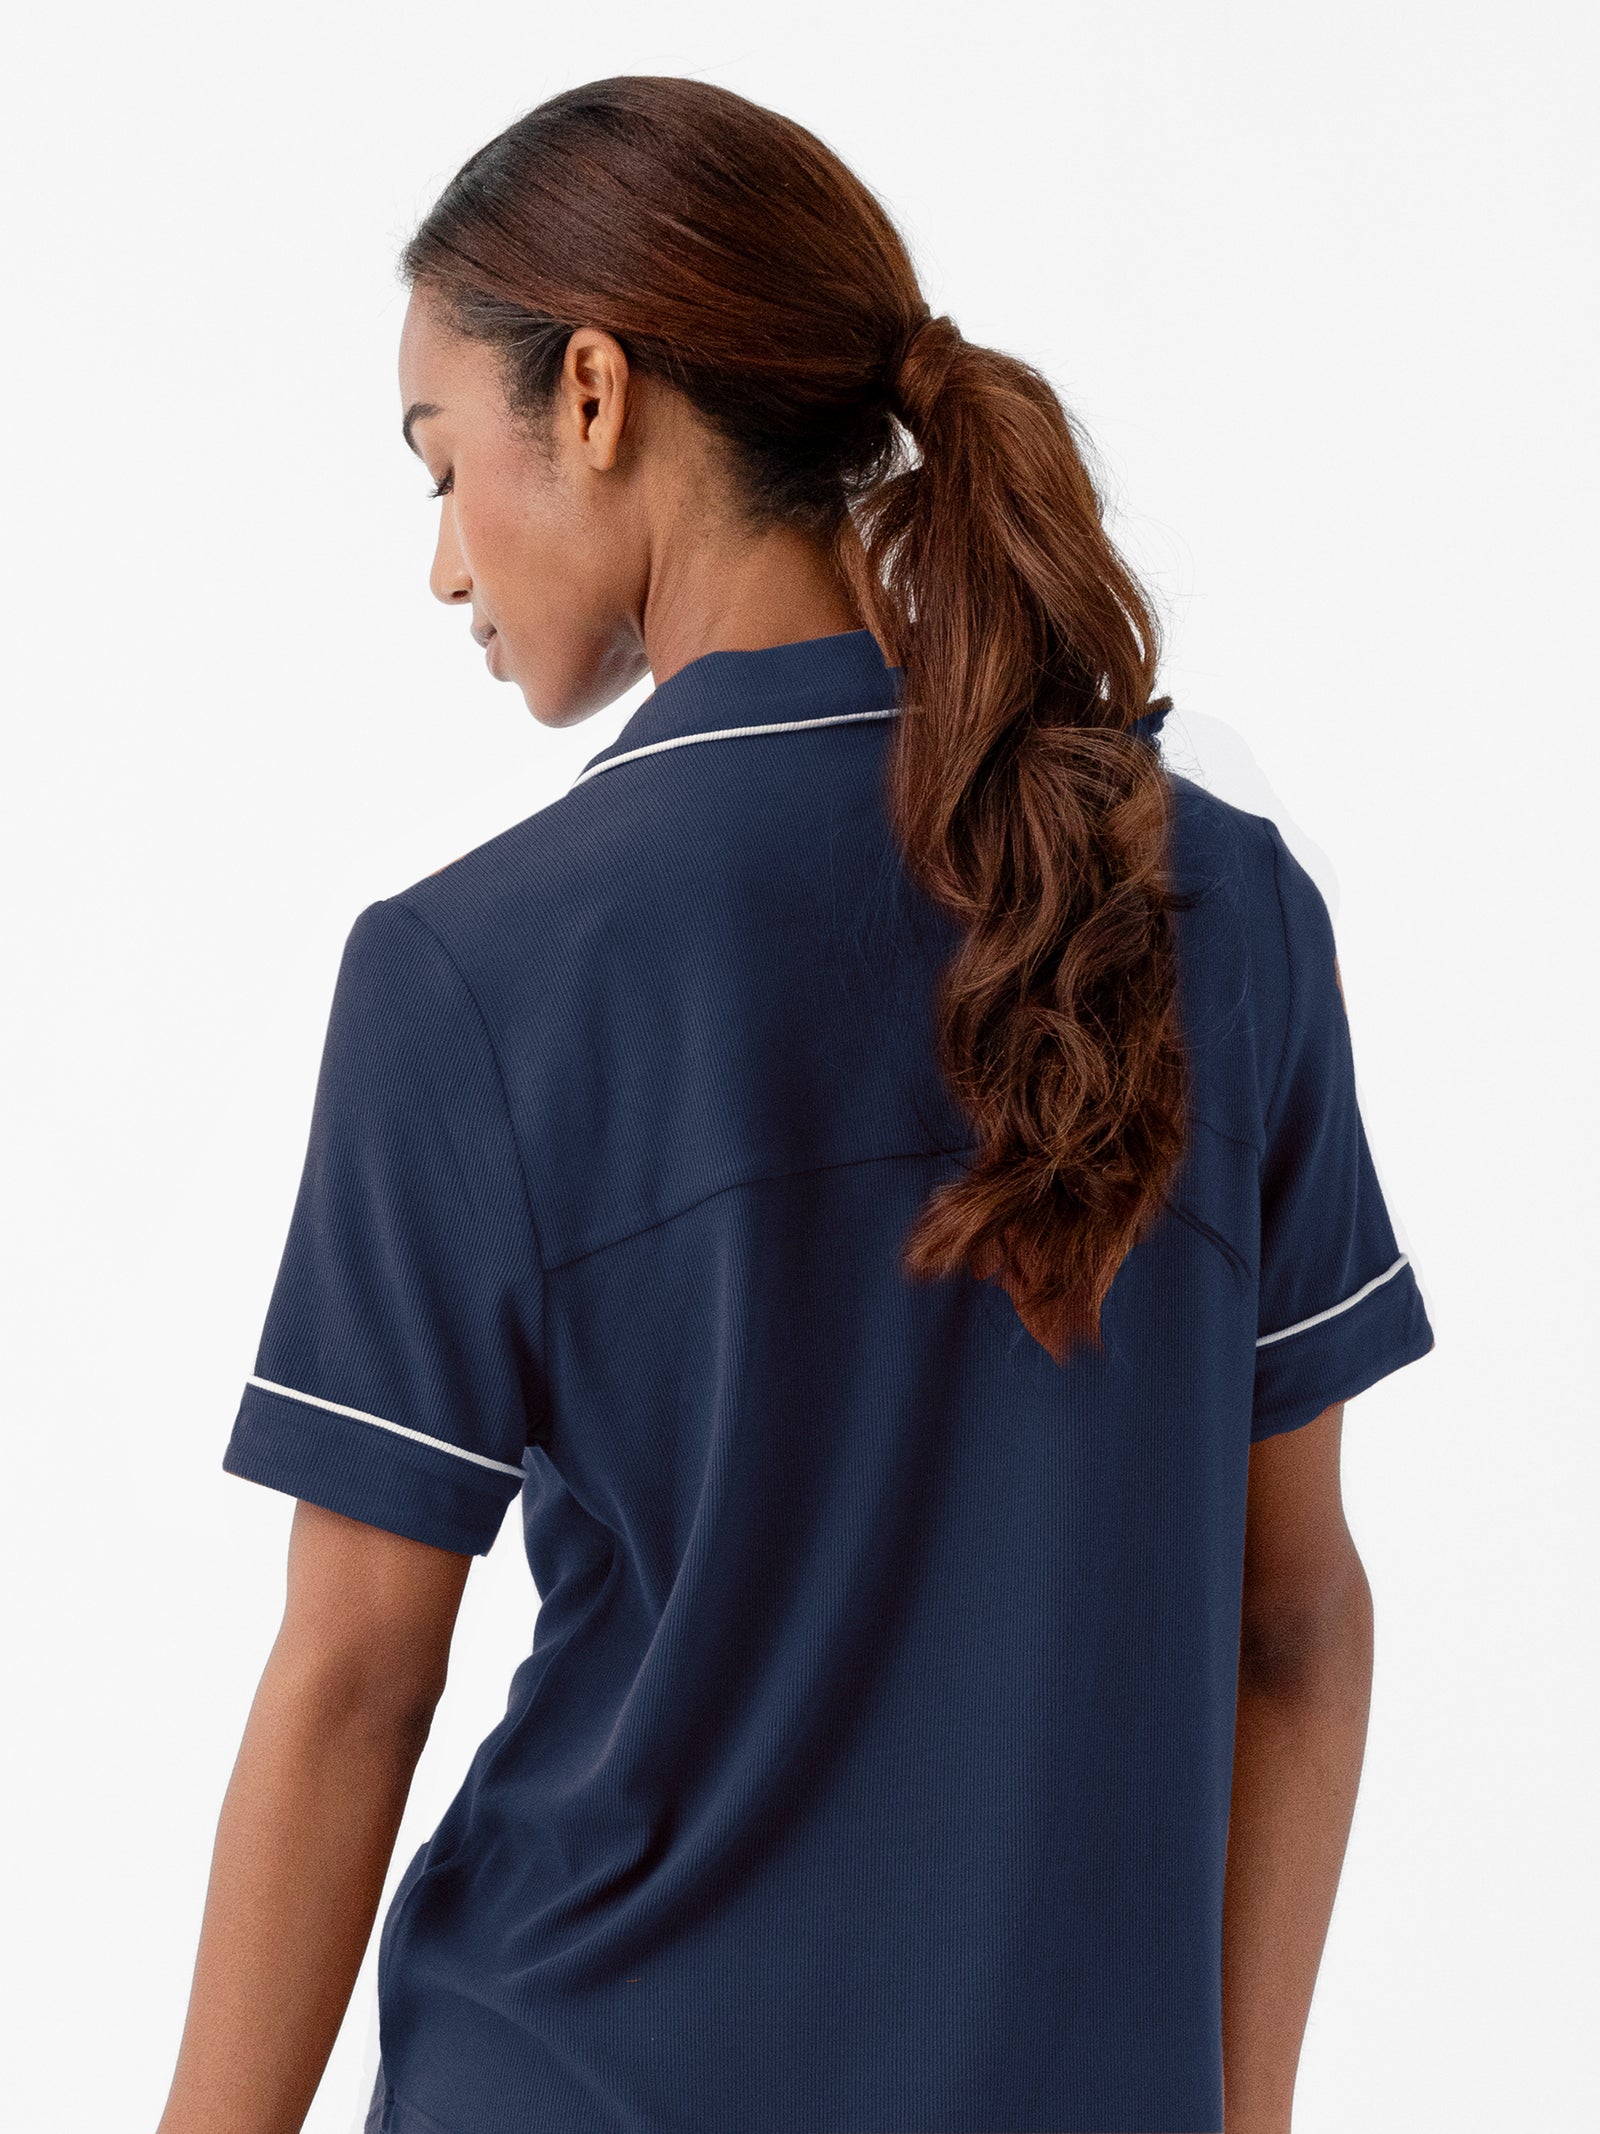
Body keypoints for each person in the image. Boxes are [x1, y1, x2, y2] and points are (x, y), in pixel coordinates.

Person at [156, 74, 1434, 2134]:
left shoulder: (476, 970)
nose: (440, 562)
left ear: (590, 395)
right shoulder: (1222, 909)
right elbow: (1294, 1621)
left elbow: (351, 1685)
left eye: (435, 462)